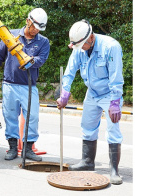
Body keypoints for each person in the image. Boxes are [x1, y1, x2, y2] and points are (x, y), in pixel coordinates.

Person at [56, 19, 124, 185]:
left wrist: (115, 102)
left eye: (82, 46)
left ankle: (114, 170)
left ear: (91, 38)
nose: (80, 50)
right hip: (92, 92)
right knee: (87, 126)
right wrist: (64, 92)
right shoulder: (80, 47)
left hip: (109, 93)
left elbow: (116, 77)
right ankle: (87, 162)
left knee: (113, 128)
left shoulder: (111, 47)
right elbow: (70, 71)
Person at [0, 8, 50, 162]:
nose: (35, 30)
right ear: (28, 20)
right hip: (10, 84)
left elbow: (42, 59)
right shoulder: (10, 36)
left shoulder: (43, 42)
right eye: (34, 26)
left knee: (32, 117)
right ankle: (13, 148)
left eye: (39, 28)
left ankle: (28, 149)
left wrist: (32, 61)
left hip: (29, 86)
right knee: (10, 117)